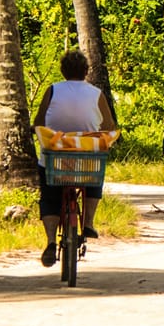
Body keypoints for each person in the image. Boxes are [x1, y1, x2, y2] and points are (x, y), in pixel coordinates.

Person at [32, 49, 116, 268]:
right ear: (86, 71)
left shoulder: (52, 90)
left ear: (62, 71)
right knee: (95, 177)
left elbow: (39, 123)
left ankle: (51, 241)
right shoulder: (96, 93)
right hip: (85, 160)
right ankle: (87, 223)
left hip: (56, 158)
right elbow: (108, 127)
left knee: (50, 197)